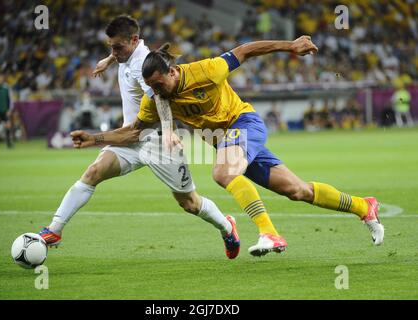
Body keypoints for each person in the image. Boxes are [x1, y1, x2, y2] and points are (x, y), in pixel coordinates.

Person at [73, 36, 384, 257]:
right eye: (150, 88)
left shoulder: (207, 69)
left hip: (244, 124)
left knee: (222, 173)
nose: (155, 92)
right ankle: (363, 206)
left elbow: (246, 50)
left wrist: (290, 46)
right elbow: (134, 133)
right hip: (229, 142)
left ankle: (270, 234)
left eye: (158, 84)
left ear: (172, 71)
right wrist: (95, 139)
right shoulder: (155, 99)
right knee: (297, 190)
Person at [39, 15, 240, 260]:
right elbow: (121, 53)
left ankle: (228, 227)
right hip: (129, 139)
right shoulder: (126, 54)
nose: (114, 51)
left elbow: (160, 96)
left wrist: (168, 128)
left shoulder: (141, 65)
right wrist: (110, 59)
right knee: (92, 173)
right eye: (111, 46)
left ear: (134, 40)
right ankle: (54, 230)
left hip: (156, 140)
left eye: (117, 47)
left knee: (190, 203)